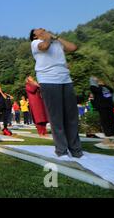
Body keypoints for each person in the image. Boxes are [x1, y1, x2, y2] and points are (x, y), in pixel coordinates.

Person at [30, 28, 83, 158]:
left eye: (44, 29)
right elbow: (45, 47)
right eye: (40, 31)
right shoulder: (35, 44)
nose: (43, 30)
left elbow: (73, 47)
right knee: (56, 117)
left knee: (71, 116)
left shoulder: (56, 42)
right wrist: (47, 37)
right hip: (48, 80)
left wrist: (56, 37)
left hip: (65, 79)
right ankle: (62, 150)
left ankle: (76, 149)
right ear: (35, 36)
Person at [90, 76, 114, 147]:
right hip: (105, 106)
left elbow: (111, 90)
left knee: (108, 120)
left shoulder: (102, 88)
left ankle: (111, 134)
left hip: (106, 106)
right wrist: (100, 84)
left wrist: (101, 84)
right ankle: (109, 134)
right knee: (107, 120)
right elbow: (101, 91)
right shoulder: (97, 88)